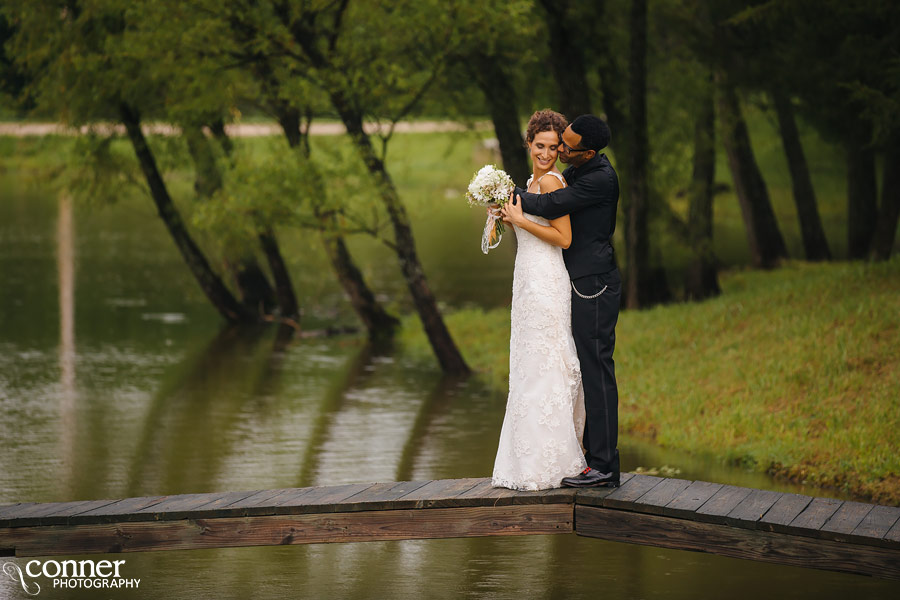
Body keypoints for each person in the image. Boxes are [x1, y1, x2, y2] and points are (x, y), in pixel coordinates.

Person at [507, 114, 622, 488]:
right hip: (576, 281)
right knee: (582, 368)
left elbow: (553, 203)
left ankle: (605, 467)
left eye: (565, 147)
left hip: (595, 284)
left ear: (586, 152)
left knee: (596, 370)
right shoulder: (580, 168)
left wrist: (502, 194)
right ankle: (589, 456)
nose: (559, 150)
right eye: (558, 142)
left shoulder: (600, 179)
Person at [490, 109, 588, 491]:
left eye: (553, 147)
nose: (546, 153)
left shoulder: (551, 183)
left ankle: (552, 462)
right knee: (527, 366)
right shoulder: (528, 183)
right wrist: (499, 216)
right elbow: (507, 233)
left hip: (548, 282)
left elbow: (564, 238)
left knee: (547, 364)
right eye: (539, 146)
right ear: (528, 144)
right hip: (526, 282)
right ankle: (527, 461)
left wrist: (519, 220)